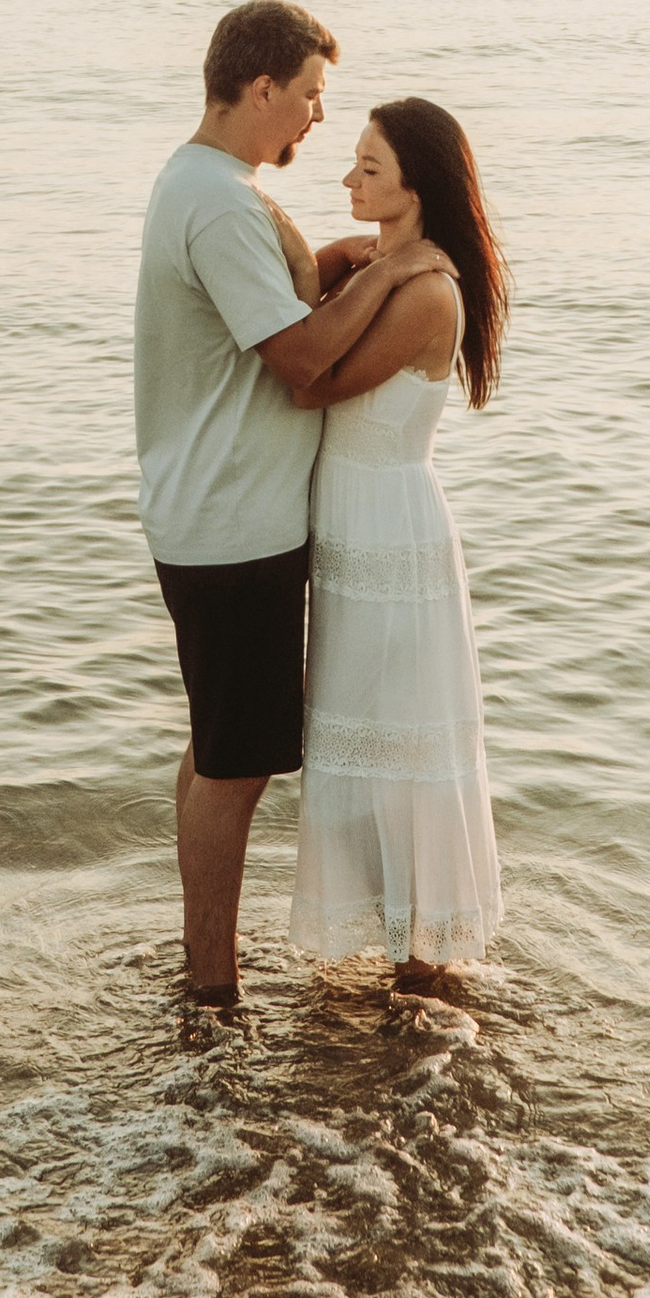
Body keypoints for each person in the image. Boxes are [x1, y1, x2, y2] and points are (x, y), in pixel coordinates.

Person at [135, 1, 451, 1013]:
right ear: (262, 87)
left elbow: (257, 314)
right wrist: (391, 267)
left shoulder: (202, 185)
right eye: (311, 96)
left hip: (217, 513)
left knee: (218, 746)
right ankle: (211, 990)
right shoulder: (222, 202)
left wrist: (326, 267)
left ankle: (202, 974)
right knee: (235, 767)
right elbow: (302, 361)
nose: (317, 120)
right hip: (234, 523)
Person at [288, 99, 509, 990]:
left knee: (400, 739)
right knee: (355, 734)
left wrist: (380, 273)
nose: (347, 180)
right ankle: (397, 942)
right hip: (352, 525)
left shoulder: (426, 291)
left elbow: (313, 381)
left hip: (388, 531)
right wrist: (361, 261)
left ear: (418, 185)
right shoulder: (393, 269)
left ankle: (423, 959)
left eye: (369, 168)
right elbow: (303, 310)